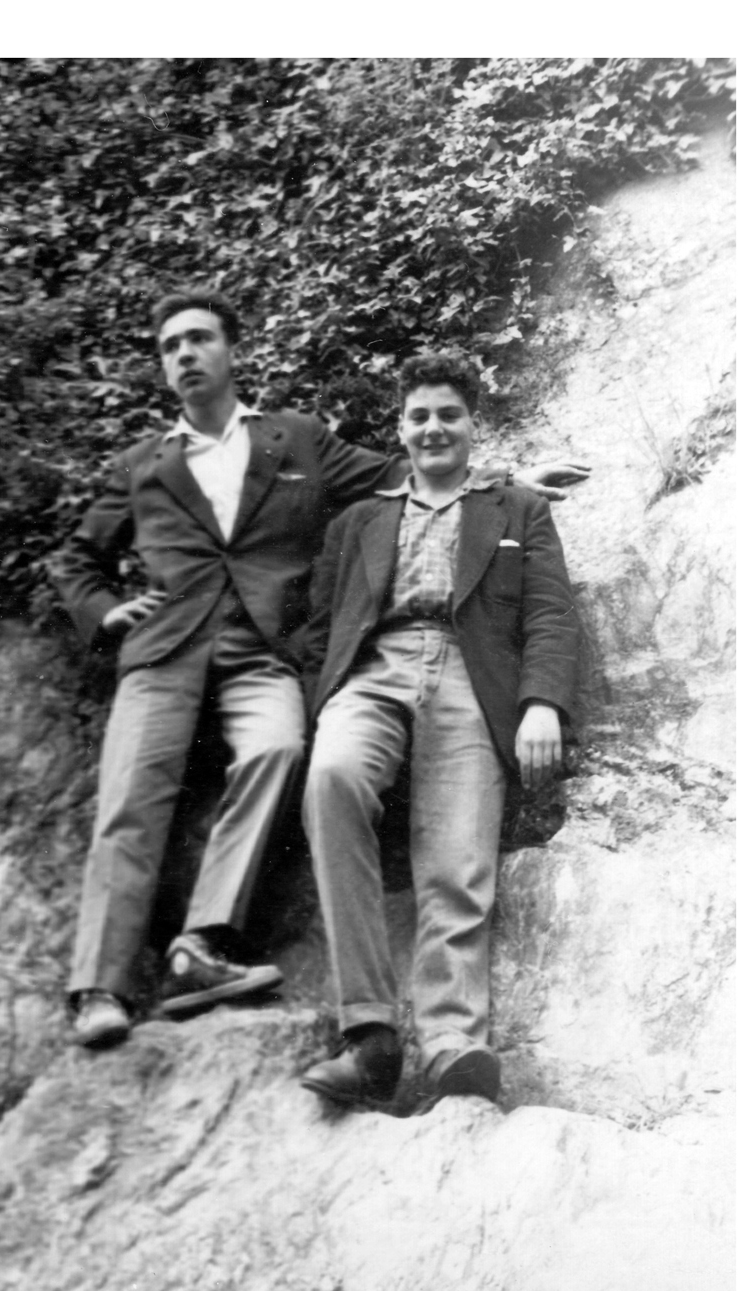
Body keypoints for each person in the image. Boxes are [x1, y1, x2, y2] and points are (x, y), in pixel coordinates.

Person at [50, 293, 587, 1049]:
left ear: (233, 352)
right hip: (163, 648)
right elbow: (76, 558)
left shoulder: (295, 439)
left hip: (261, 654)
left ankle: (199, 946)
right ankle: (99, 987)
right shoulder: (143, 465)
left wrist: (511, 480)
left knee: (280, 751)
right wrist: (104, 610)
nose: (185, 355)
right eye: (171, 346)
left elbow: (408, 473)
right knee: (130, 801)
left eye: (200, 339)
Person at [299, 353, 580, 1106]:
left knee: (458, 855)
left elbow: (551, 612)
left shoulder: (517, 509)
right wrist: (315, 704)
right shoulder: (361, 519)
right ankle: (369, 1035)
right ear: (400, 427)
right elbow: (322, 630)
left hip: (467, 673)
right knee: (330, 778)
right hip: (374, 671)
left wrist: (541, 702)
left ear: (471, 424)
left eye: (448, 414)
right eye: (419, 415)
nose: (433, 428)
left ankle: (453, 1044)